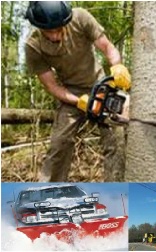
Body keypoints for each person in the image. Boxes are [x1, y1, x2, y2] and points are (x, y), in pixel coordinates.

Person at [24, 1, 131, 182]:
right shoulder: (33, 46)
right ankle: (48, 193)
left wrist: (117, 66)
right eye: (49, 31)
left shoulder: (80, 18)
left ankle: (115, 190)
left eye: (59, 29)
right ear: (39, 27)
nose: (55, 35)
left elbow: (107, 47)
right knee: (60, 143)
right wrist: (78, 101)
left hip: (100, 84)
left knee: (116, 142)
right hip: (70, 93)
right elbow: (52, 86)